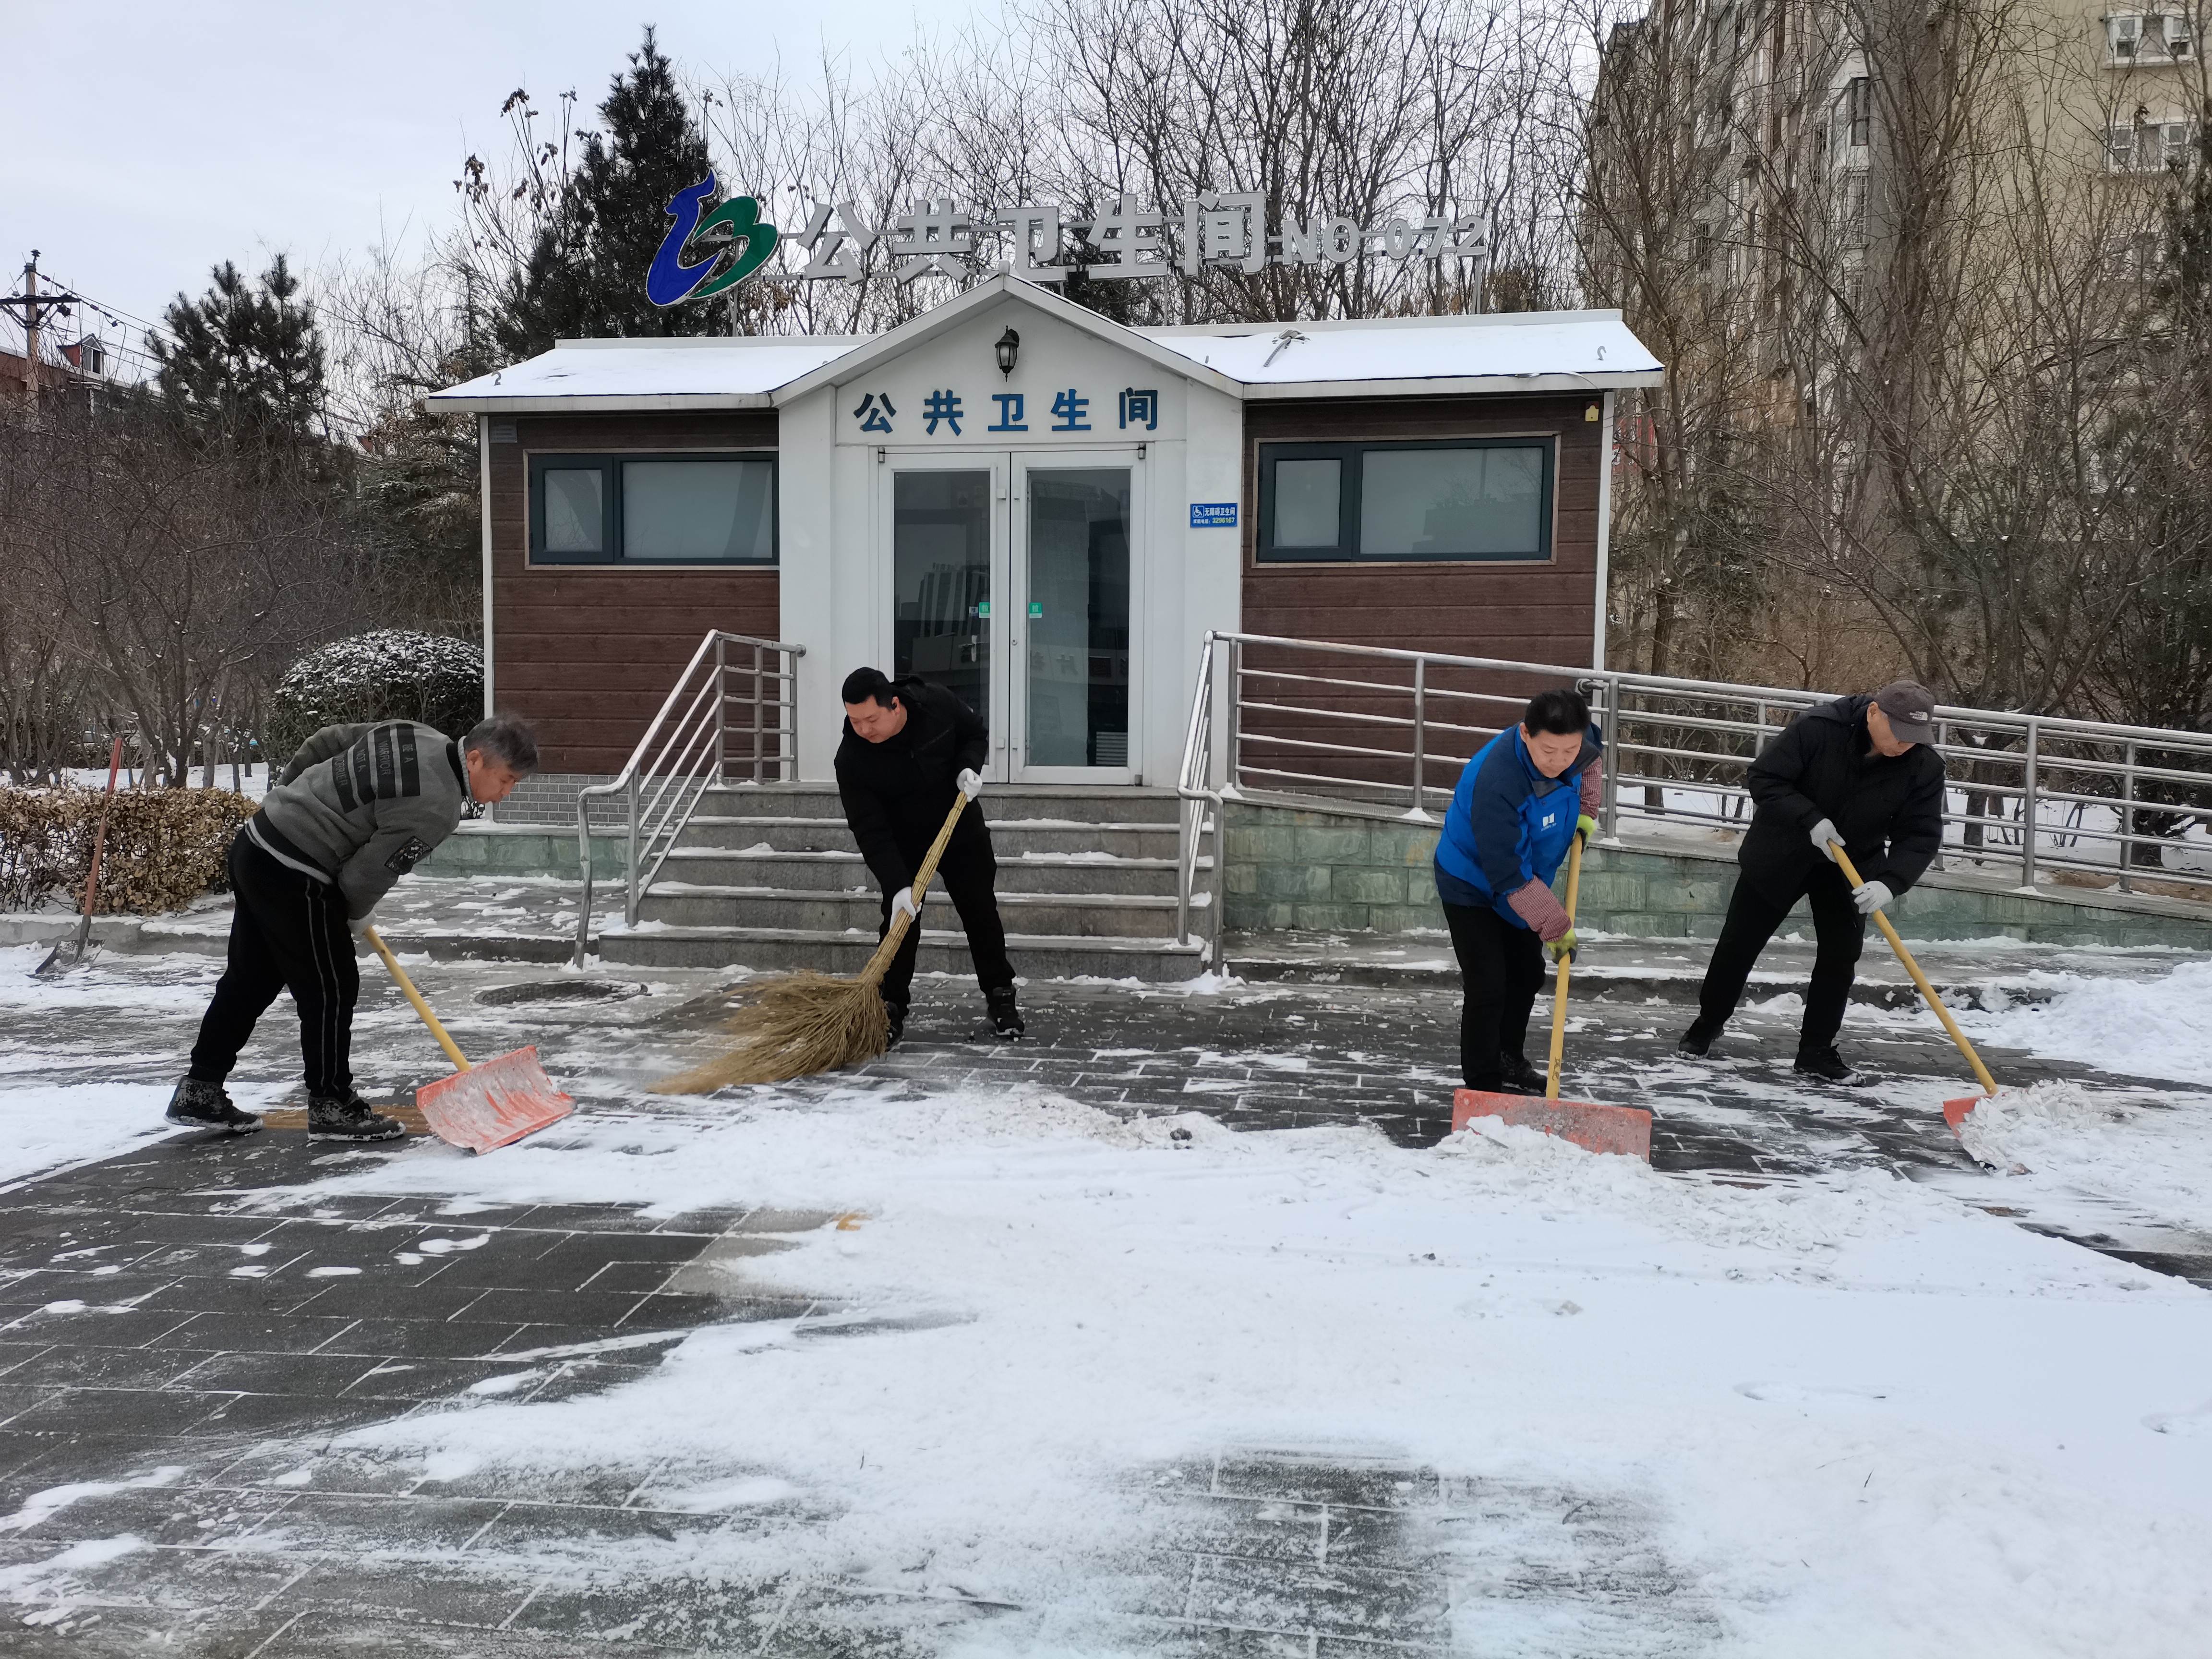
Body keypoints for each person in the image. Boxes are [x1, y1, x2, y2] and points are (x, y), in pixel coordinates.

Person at [167, 713, 538, 1140]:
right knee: (332, 986)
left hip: (257, 842)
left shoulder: (414, 733)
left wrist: (286, 798)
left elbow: (328, 741)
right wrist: (353, 913)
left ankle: (200, 1089)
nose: (504, 795)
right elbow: (363, 878)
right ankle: (332, 1104)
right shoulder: (437, 808)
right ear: (475, 760)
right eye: (507, 780)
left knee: (251, 978)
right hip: (296, 869)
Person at [1678, 680, 1945, 1083]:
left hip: (1851, 866)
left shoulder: (1923, 766)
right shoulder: (1819, 728)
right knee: (1740, 942)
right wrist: (1810, 819)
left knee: (1841, 956)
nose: (1905, 745)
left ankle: (1817, 1050)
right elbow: (1766, 778)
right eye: (1900, 734)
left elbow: (1920, 833)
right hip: (1782, 851)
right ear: (1874, 713)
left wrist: (1892, 881)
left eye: (1916, 738)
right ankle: (1708, 1023)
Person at [835, 667, 1021, 1043]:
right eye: (854, 721)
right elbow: (870, 830)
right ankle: (891, 1007)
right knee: (899, 923)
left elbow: (973, 732)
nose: (864, 730)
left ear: (895, 704)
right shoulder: (852, 759)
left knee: (980, 911)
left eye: (871, 719)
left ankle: (1001, 996)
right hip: (904, 843)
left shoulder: (936, 703)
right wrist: (898, 884)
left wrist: (968, 766)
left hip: (958, 827)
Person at [1432, 687, 1604, 1095]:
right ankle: (1483, 1083)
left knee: (1526, 973)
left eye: (1568, 751)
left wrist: (1586, 812)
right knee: (1489, 983)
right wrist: (1554, 924)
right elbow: (1508, 875)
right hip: (1472, 882)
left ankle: (1507, 1057)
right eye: (1549, 752)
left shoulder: (1577, 743)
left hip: (1527, 878)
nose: (1559, 761)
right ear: (1526, 734)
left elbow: (1592, 760)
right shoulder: (1497, 781)